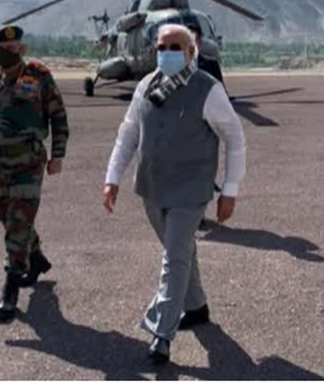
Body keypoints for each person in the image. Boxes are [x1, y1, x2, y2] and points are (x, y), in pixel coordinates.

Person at [102, 24, 246, 364]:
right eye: (162, 46)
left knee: (174, 259)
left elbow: (235, 138)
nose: (166, 52)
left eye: (175, 46)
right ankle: (195, 306)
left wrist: (229, 190)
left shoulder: (207, 90)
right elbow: (128, 134)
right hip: (152, 187)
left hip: (190, 190)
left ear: (192, 50)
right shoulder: (146, 85)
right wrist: (112, 178)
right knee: (178, 250)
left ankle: (161, 333)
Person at [0, 25, 69, 323]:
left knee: (17, 224)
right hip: (0, 164)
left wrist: (58, 155)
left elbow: (58, 116)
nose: (8, 54)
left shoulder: (39, 77)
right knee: (9, 219)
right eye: (2, 50)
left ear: (23, 50)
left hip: (29, 163)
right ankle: (38, 258)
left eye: (14, 49)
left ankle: (10, 288)